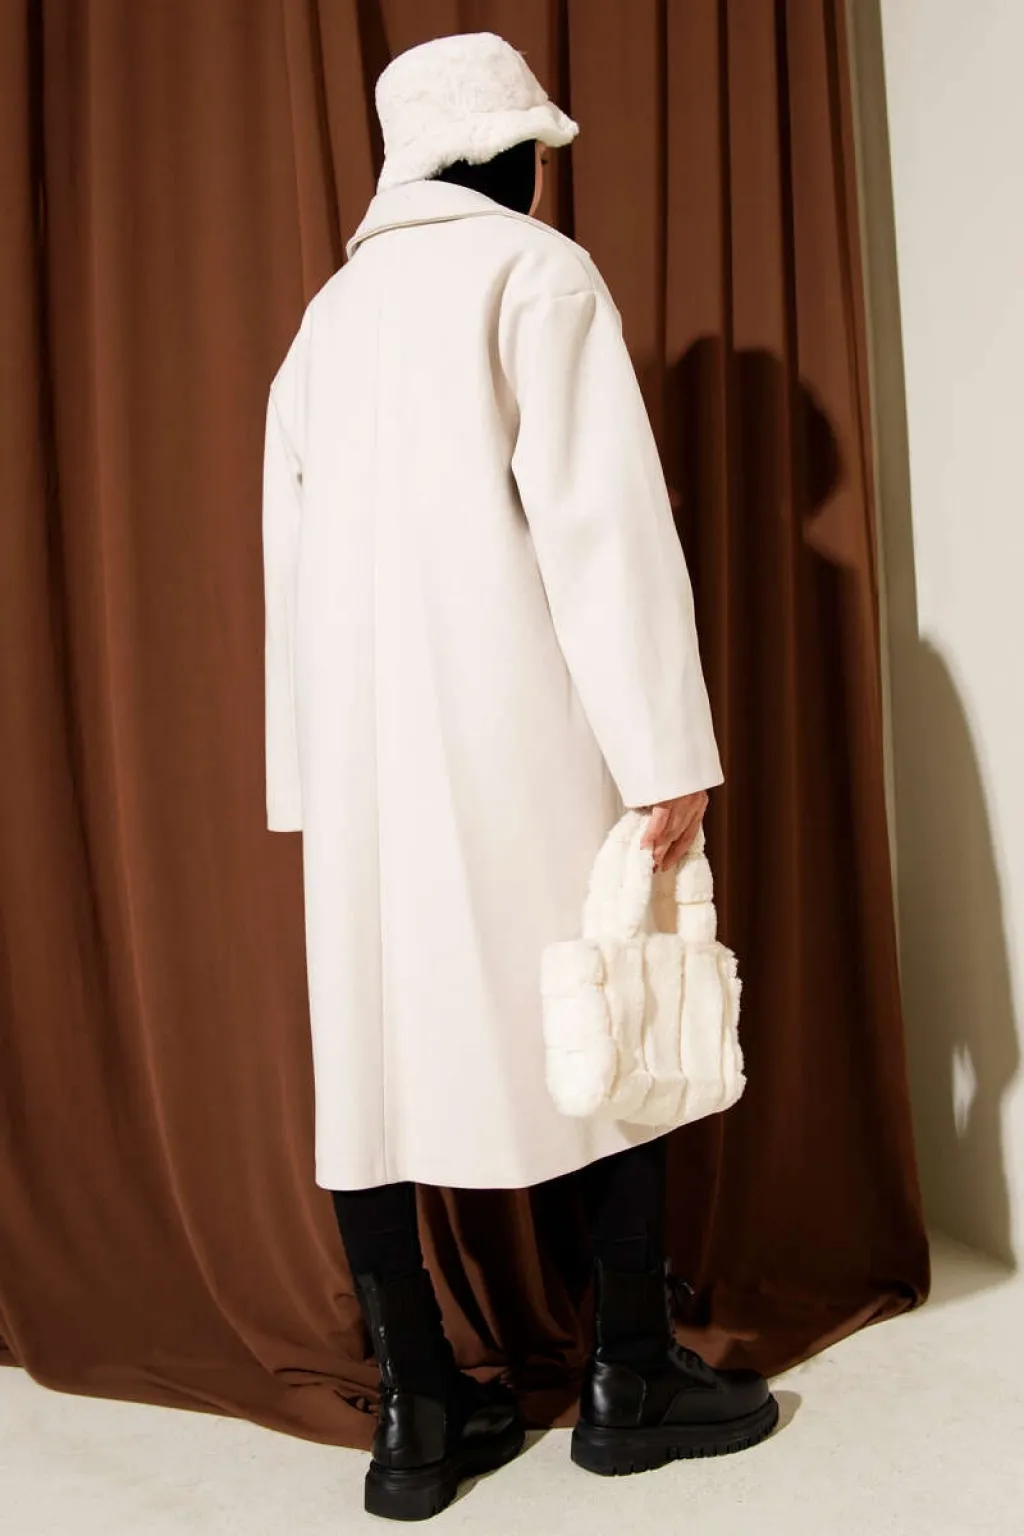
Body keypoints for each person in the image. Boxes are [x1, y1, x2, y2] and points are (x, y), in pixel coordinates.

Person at [262, 30, 777, 1523]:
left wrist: (305, 777)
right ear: (504, 157)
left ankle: (417, 1414)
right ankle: (630, 1375)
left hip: (364, 765)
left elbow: (287, 570)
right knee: (607, 995)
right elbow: (601, 528)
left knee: (367, 1059)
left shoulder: (326, 321)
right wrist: (666, 752)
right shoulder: (536, 276)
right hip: (524, 729)